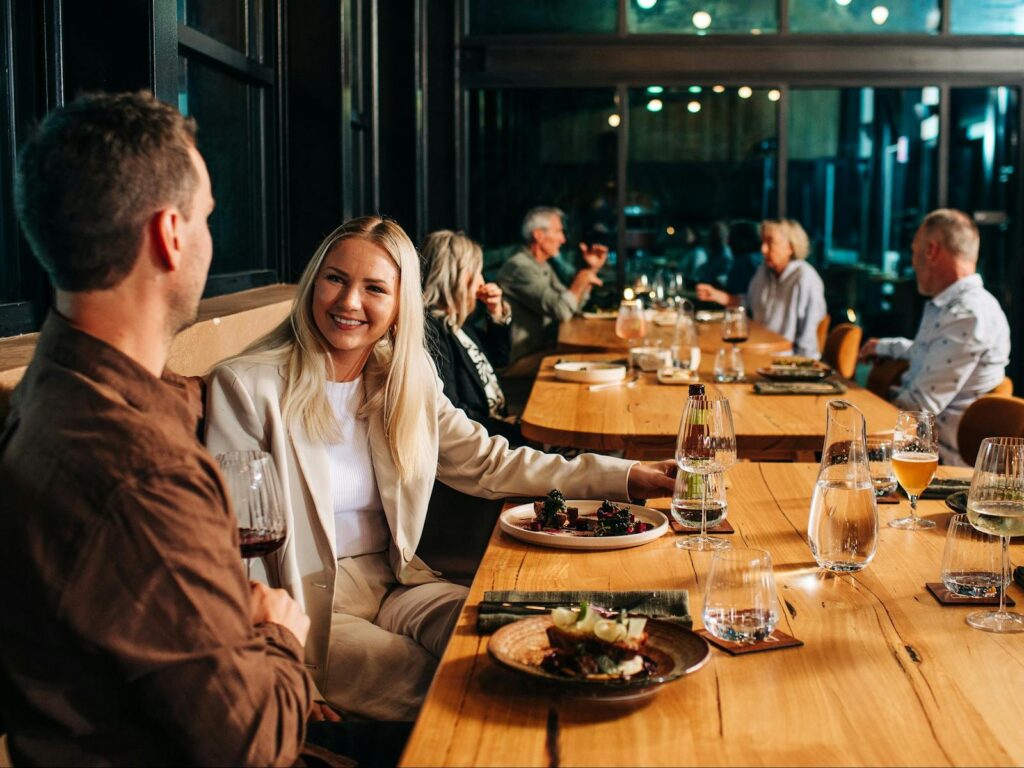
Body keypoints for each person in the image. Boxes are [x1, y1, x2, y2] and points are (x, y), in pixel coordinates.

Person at [204, 216, 676, 721]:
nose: (349, 302)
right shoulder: (247, 386)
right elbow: (233, 546)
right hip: (308, 609)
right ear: (313, 283)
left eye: (374, 288)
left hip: (396, 581)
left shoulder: (403, 376)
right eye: (335, 279)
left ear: (400, 305)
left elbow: (490, 462)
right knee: (456, 685)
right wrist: (281, 665)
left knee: (518, 641)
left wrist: (626, 476)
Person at [0, 91, 312, 765]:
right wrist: (279, 632)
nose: (209, 237)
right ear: (170, 234)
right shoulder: (144, 474)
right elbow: (256, 744)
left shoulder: (50, 384)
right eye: (206, 217)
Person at [858, 209, 1010, 465]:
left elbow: (917, 410)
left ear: (931, 250)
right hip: (913, 447)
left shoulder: (968, 315)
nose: (912, 262)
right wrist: (884, 347)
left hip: (932, 459)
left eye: (914, 251)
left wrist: (856, 416)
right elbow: (928, 351)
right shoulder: (953, 307)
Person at [422, 230, 522, 445]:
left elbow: (500, 359)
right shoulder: (431, 331)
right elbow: (453, 411)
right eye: (478, 273)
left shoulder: (458, 323)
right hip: (480, 442)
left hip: (497, 428)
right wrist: (513, 431)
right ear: (461, 277)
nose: (482, 282)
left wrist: (496, 312)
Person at [696, 218, 827, 358]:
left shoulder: (805, 278)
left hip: (785, 360)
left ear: (791, 247)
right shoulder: (764, 271)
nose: (763, 249)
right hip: (757, 351)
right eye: (763, 242)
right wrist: (717, 296)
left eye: (770, 243)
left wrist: (801, 366)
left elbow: (809, 338)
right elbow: (750, 303)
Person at [497, 206, 609, 363]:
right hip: (521, 360)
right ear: (538, 235)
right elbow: (562, 310)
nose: (563, 239)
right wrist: (582, 278)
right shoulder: (519, 268)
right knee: (594, 361)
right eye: (558, 231)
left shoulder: (541, 264)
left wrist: (590, 270)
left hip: (542, 350)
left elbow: (573, 307)